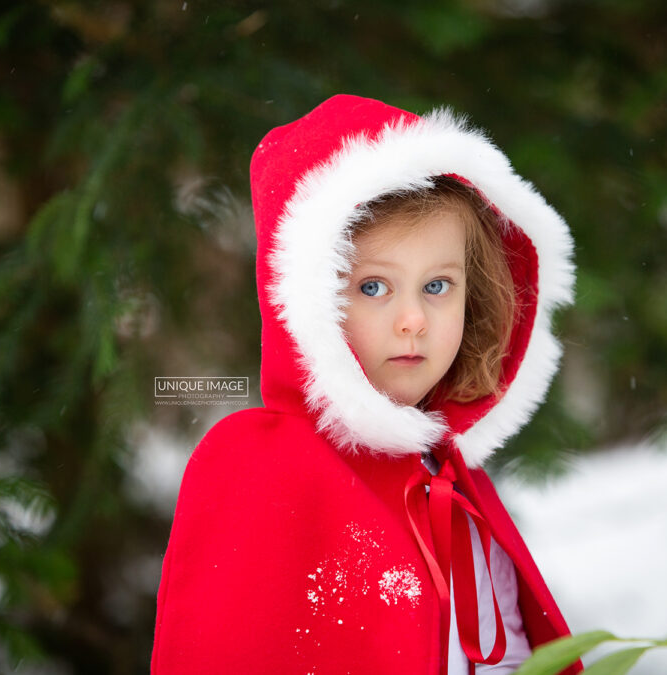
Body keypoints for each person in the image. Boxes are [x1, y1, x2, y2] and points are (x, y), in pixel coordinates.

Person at [151, 94, 583, 675]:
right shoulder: (260, 472)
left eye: (437, 286)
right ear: (308, 302)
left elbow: (509, 646)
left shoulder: (454, 482)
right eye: (374, 287)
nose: (414, 320)